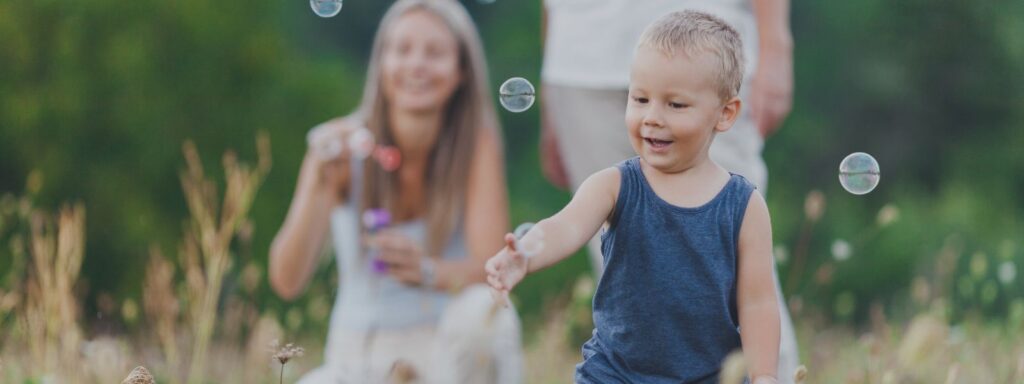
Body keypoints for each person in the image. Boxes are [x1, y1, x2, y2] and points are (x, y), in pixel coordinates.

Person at [488, 11, 780, 383]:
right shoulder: (614, 185)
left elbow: (757, 302)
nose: (652, 117)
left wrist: (765, 375)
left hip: (708, 375)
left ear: (725, 113)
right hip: (614, 374)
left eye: (675, 105)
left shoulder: (743, 205)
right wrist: (525, 256)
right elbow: (566, 226)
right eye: (640, 99)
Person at [268, 1, 521, 382]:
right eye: (402, 50)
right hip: (358, 357)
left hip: (445, 356)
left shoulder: (475, 147)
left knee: (484, 315)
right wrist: (314, 177)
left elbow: (493, 269)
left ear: (461, 71)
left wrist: (426, 270)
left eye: (434, 53)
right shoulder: (341, 151)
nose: (416, 65)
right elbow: (287, 281)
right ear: (381, 63)